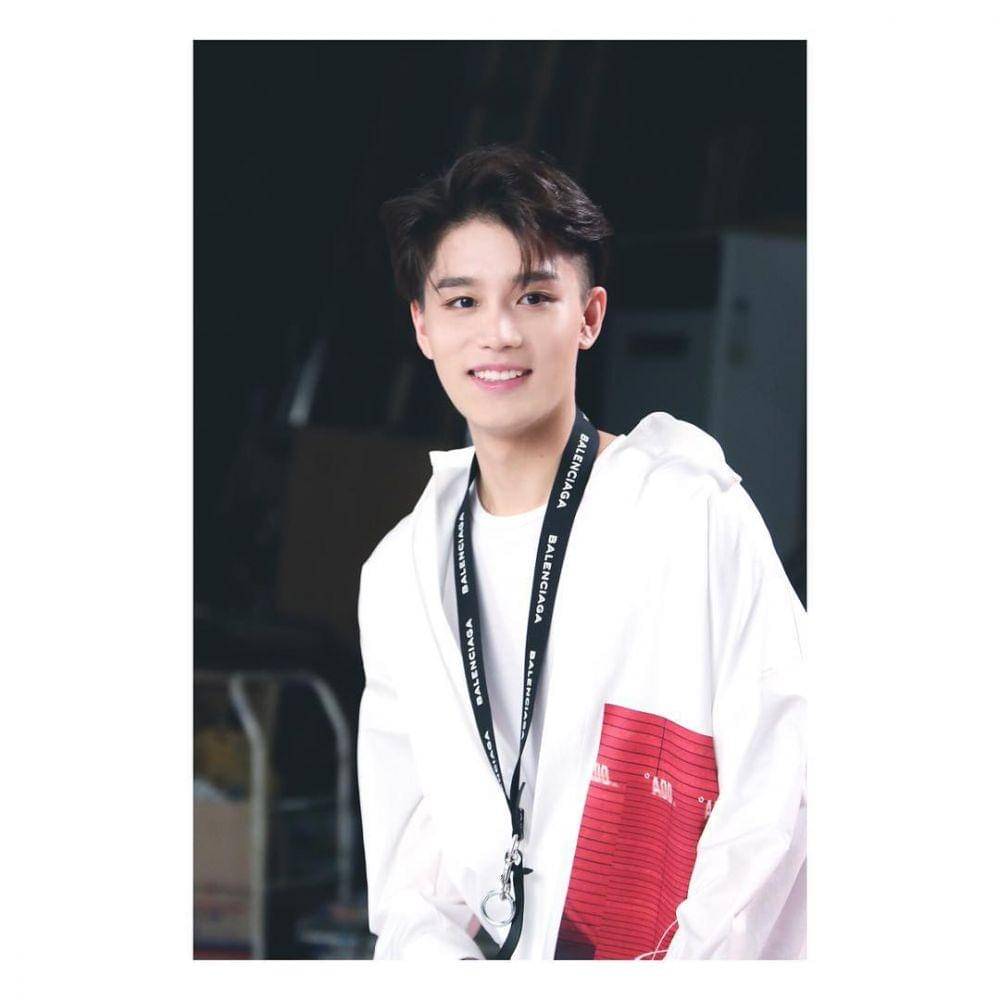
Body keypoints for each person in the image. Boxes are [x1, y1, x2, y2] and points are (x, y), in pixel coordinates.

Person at [356, 143, 806, 960]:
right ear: (423, 326)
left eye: (534, 296)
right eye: (463, 302)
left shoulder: (688, 517)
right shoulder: (403, 575)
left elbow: (782, 790)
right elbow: (415, 863)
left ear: (589, 316)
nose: (498, 333)